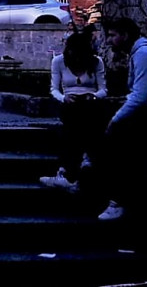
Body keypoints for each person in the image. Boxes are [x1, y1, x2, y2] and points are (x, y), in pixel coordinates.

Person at [95, 16, 147, 221]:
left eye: (113, 36)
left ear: (126, 35)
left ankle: (118, 200)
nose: (108, 41)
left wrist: (115, 120)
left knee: (118, 139)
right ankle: (83, 172)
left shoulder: (144, 54)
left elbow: (140, 96)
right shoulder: (140, 53)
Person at [39, 27, 110, 193]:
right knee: (74, 117)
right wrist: (64, 98)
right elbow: (54, 89)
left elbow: (103, 90)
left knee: (83, 119)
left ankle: (66, 171)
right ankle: (83, 161)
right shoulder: (58, 62)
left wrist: (93, 96)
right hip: (69, 103)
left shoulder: (96, 62)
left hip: (91, 103)